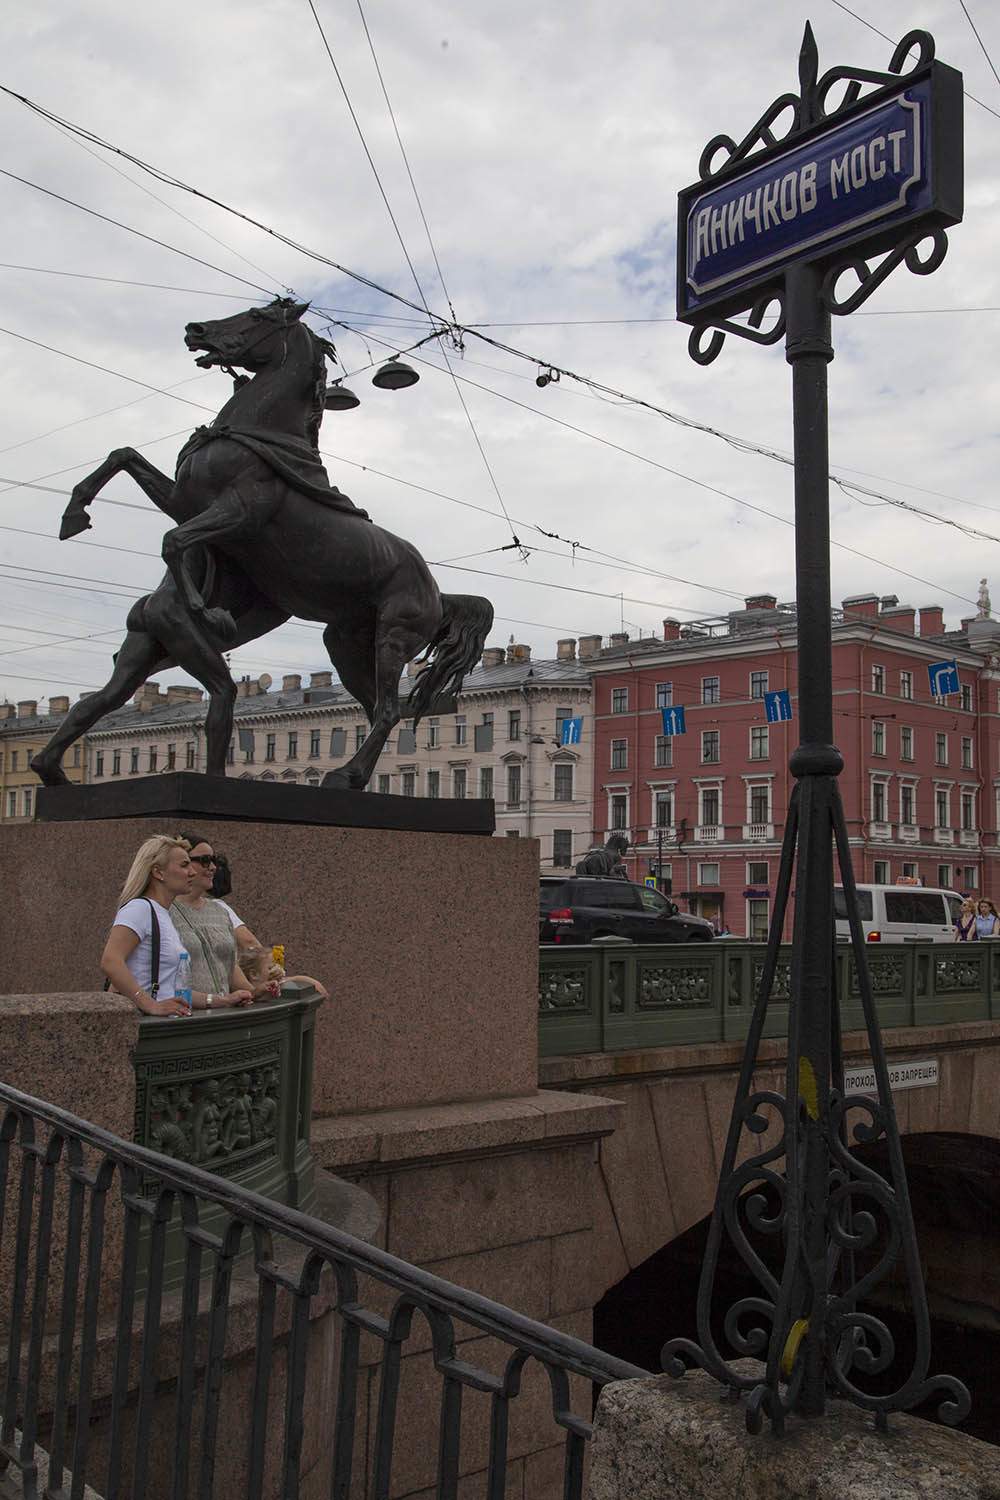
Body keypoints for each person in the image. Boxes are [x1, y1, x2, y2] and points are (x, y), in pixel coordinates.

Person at [100, 835, 251, 1015]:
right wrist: (150, 1004)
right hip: (149, 1027)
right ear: (158, 872)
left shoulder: (163, 914)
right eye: (184, 865)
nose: (192, 872)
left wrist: (224, 1000)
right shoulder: (140, 908)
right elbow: (111, 961)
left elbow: (172, 990)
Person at [171, 833, 274, 1002]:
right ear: (182, 863)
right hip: (185, 1016)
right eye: (204, 860)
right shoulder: (163, 911)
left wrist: (256, 993)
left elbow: (229, 967)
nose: (212, 867)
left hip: (223, 1015)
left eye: (214, 861)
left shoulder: (220, 912)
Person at [239, 946, 329, 1003]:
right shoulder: (243, 996)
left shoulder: (277, 985)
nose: (277, 971)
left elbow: (294, 979)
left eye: (278, 967)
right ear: (254, 974)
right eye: (271, 968)